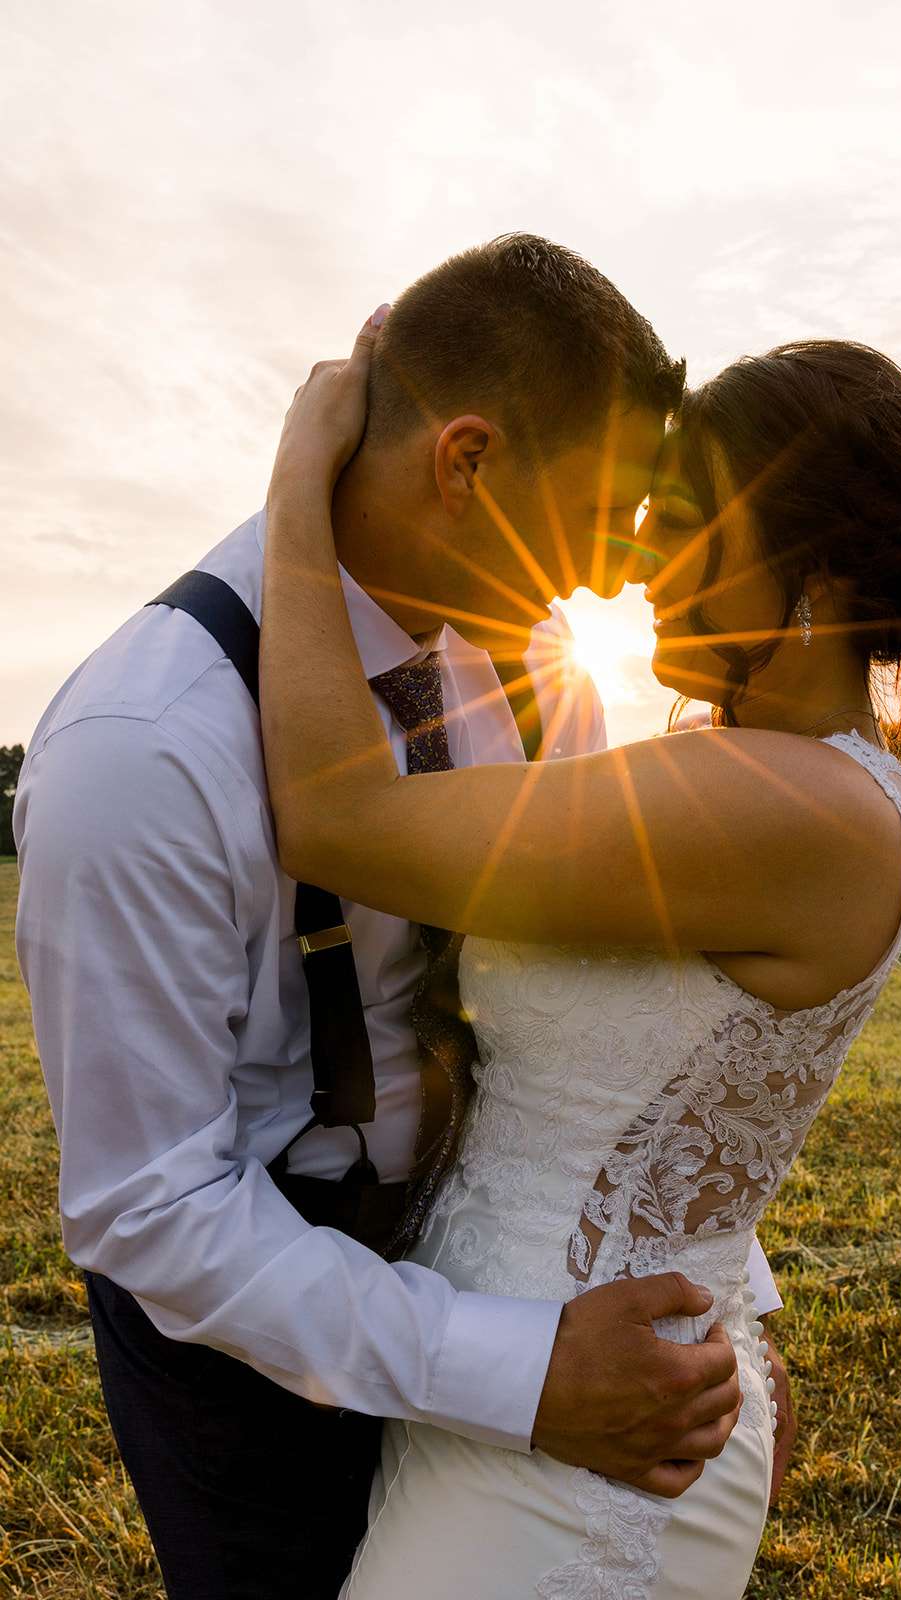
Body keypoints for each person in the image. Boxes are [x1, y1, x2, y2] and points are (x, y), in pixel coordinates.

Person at [13, 235, 787, 1600]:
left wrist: (705, 1284)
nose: (608, 583)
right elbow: (152, 1208)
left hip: (495, 1251)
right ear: (468, 462)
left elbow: (589, 1020)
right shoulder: (145, 744)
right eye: (594, 516)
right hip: (242, 1331)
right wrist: (517, 1375)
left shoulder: (550, 678)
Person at [258, 320, 901, 1599]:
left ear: (810, 564)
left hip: (575, 1458)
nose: (638, 572)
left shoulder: (786, 809)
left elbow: (339, 821)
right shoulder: (777, 789)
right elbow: (684, 1091)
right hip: (559, 1392)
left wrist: (295, 487)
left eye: (684, 525)